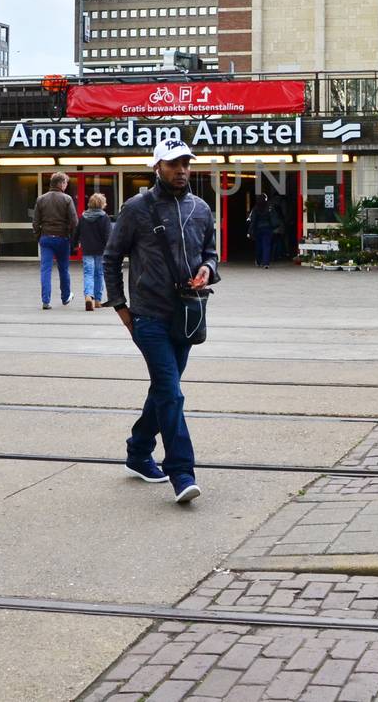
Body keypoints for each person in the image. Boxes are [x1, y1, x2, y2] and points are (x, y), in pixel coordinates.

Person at [103, 141, 219, 503]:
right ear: (157, 167)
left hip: (187, 315)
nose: (181, 170)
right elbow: (111, 259)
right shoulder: (136, 209)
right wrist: (121, 308)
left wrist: (207, 269)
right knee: (172, 392)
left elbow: (211, 254)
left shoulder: (201, 208)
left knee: (162, 390)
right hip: (149, 317)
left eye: (185, 163)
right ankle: (182, 472)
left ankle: (138, 452)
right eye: (173, 164)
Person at [32, 172, 78, 310]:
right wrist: (72, 238)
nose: (66, 185)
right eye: (66, 183)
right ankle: (65, 297)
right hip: (62, 238)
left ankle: (46, 300)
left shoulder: (41, 199)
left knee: (45, 269)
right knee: (63, 269)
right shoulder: (67, 199)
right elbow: (74, 221)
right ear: (61, 183)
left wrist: (39, 236)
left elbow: (35, 222)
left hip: (46, 238)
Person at [78, 192, 113, 311]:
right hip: (101, 250)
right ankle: (97, 300)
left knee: (88, 273)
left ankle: (88, 296)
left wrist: (73, 245)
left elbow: (77, 232)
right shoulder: (104, 217)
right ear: (102, 204)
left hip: (87, 249)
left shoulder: (83, 217)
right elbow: (108, 236)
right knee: (99, 274)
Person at [247, 192, 283, 268]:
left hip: (258, 229)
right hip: (268, 229)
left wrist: (250, 231)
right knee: (266, 246)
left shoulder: (256, 208)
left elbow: (253, 221)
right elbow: (274, 218)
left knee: (258, 246)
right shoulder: (269, 207)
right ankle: (266, 263)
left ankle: (259, 261)